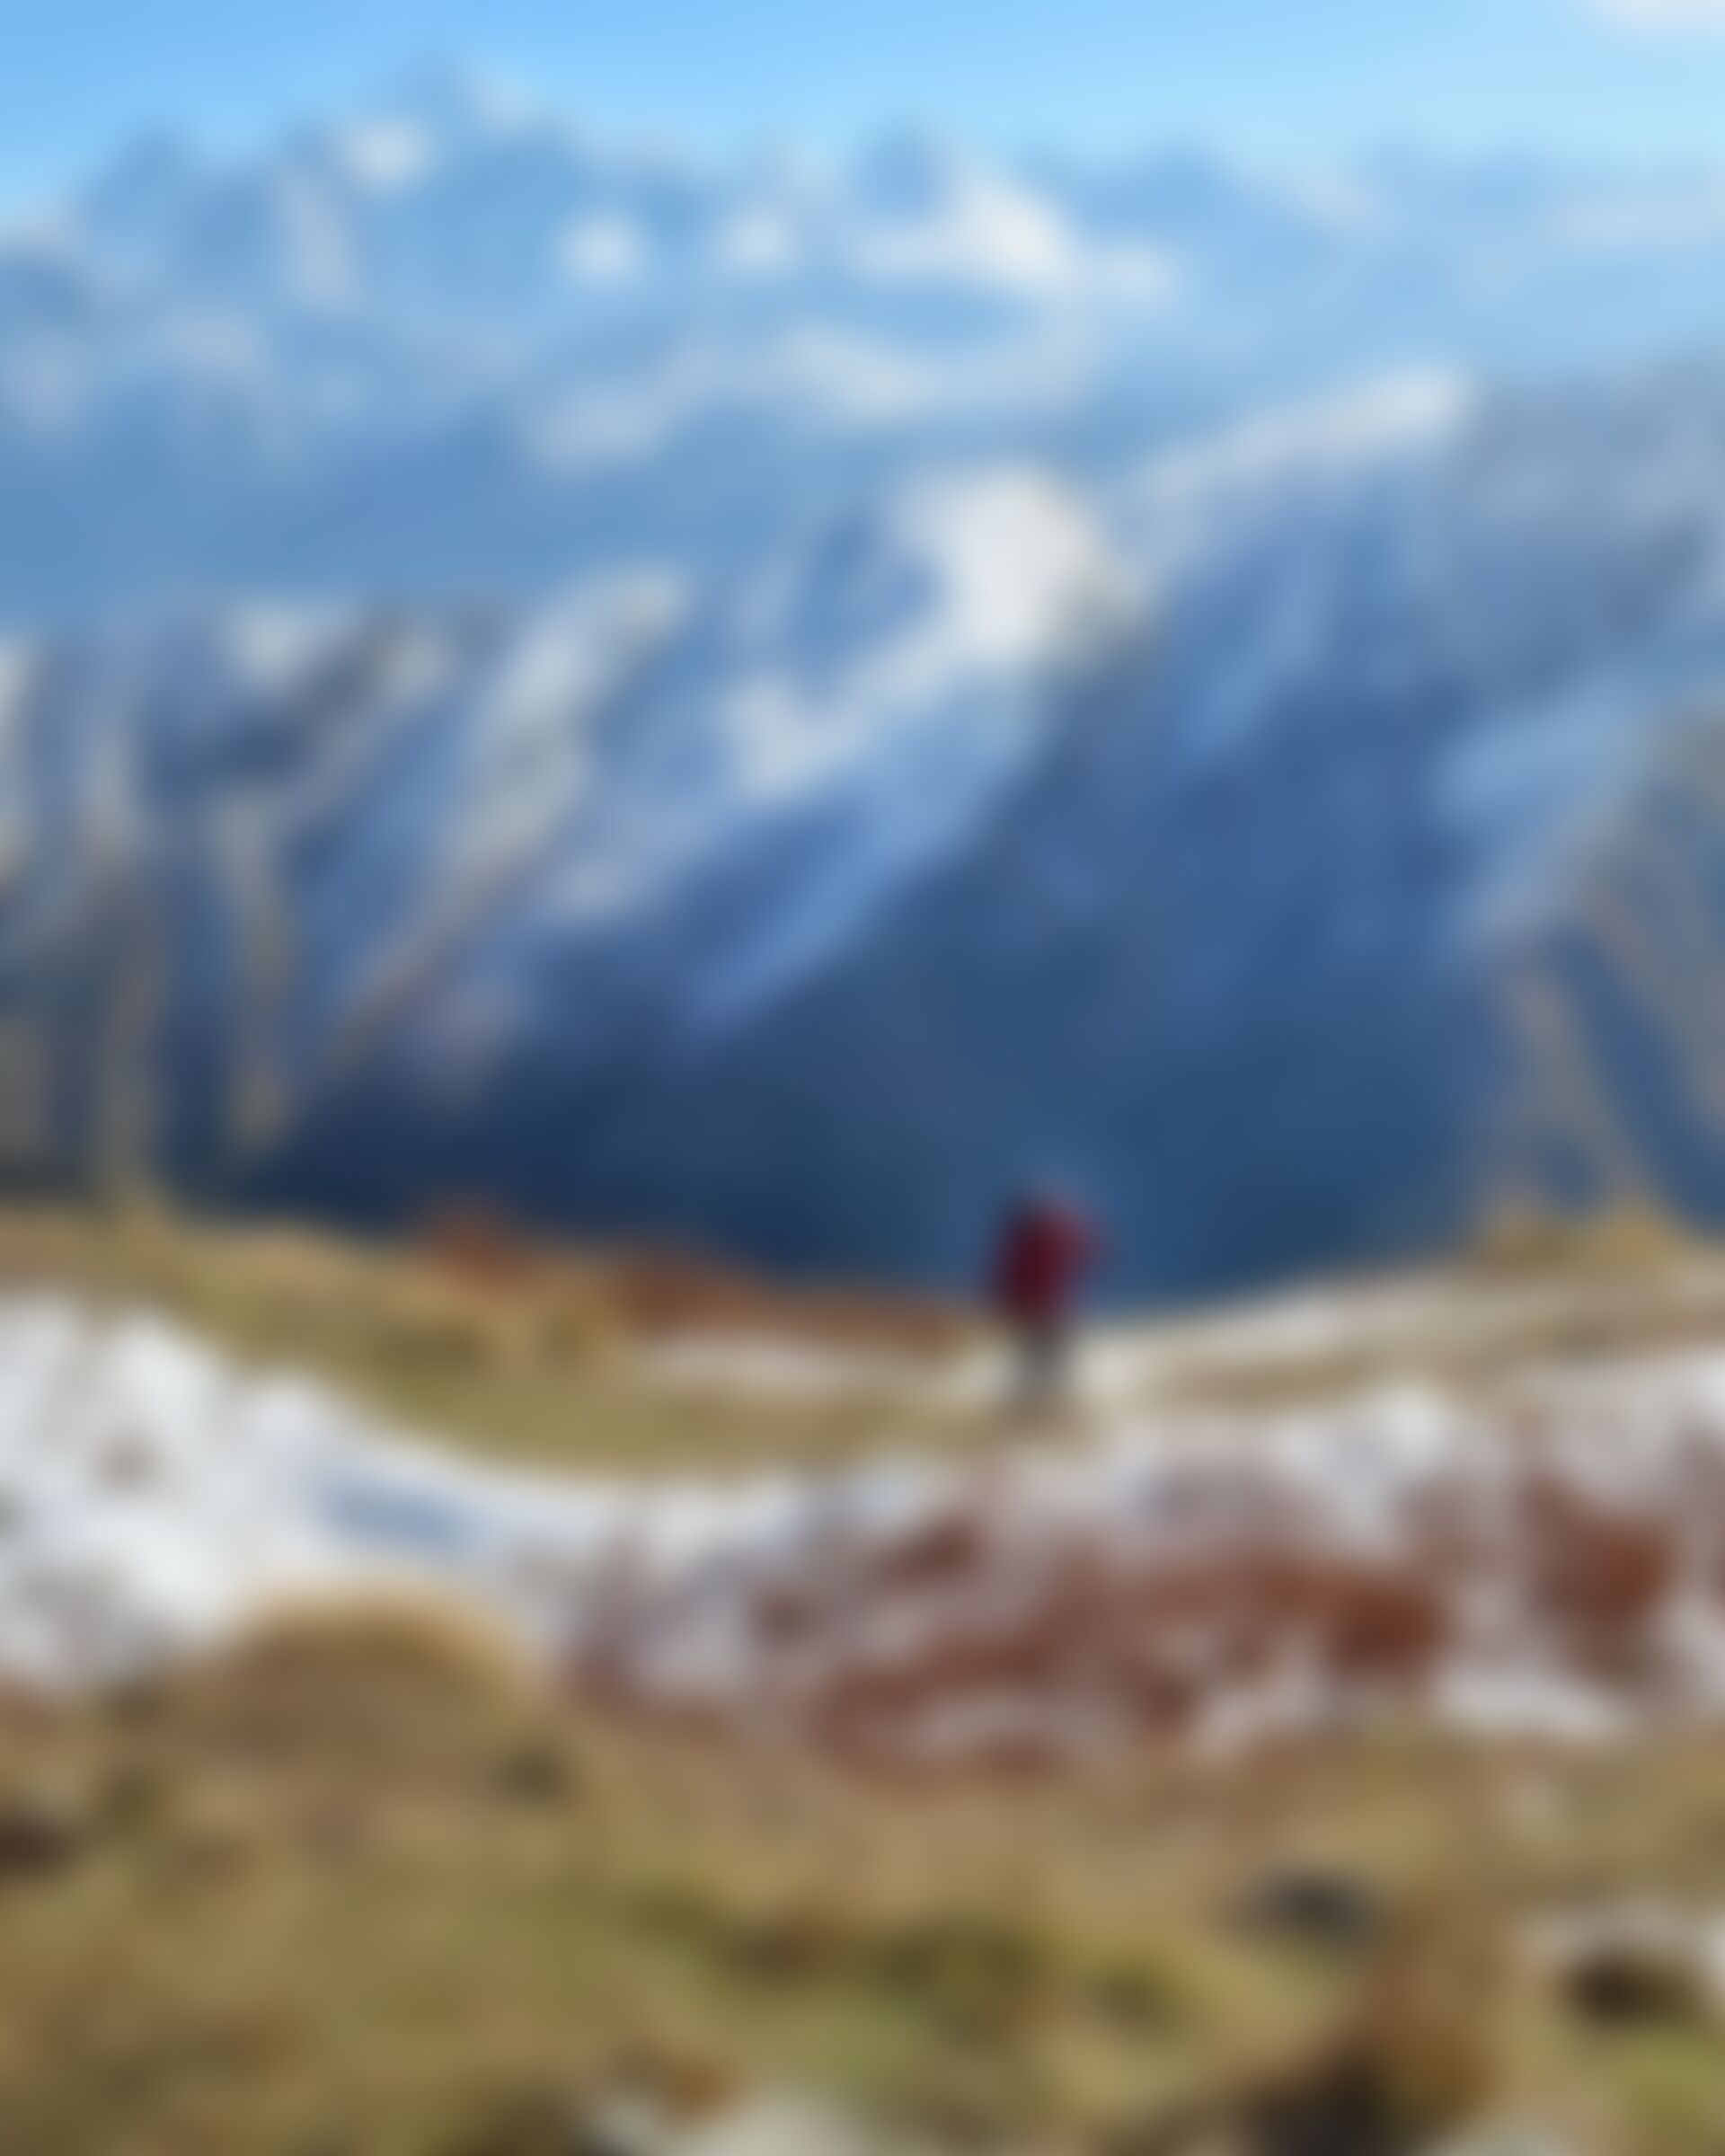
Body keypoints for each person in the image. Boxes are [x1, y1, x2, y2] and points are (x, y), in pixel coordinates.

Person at [990, 1187, 1101, 1415]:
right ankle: (1045, 1405)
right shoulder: (1054, 1236)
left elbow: (1007, 1275)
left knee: (1038, 1359)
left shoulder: (1025, 1241)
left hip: (1036, 1309)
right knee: (1046, 1359)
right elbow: (1092, 1249)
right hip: (1048, 1308)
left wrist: (1004, 1303)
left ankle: (1034, 1405)